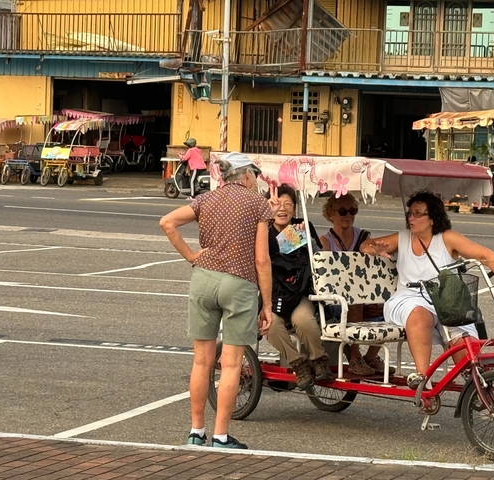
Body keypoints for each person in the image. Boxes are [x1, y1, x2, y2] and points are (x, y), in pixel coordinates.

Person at [160, 151, 278, 450]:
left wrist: (190, 256)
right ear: (247, 175)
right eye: (255, 175)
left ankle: (196, 431)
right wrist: (267, 304)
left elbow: (167, 222)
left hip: (204, 278)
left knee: (202, 361)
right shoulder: (258, 205)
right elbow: (262, 260)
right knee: (231, 364)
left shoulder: (206, 200)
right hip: (239, 283)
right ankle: (221, 436)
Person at [360, 190, 494, 389]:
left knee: (464, 346)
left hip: (446, 300)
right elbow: (366, 245)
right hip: (408, 299)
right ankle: (422, 378)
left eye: (418, 214)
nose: (412, 218)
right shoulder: (403, 237)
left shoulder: (447, 238)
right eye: (410, 213)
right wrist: (375, 249)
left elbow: (483, 254)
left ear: (433, 218)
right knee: (419, 315)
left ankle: (478, 390)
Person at [265, 184, 333, 390]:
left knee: (302, 319)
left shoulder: (302, 226)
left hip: (298, 292)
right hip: (272, 294)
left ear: (295, 208)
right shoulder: (261, 230)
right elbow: (269, 253)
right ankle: (298, 363)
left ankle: (319, 359)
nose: (282, 209)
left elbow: (318, 257)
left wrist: (304, 237)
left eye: (288, 204)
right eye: (277, 204)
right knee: (270, 325)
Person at [320, 193, 386, 376]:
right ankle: (355, 358)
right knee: (354, 301)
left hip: (362, 294)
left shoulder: (363, 236)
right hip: (334, 299)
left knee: (391, 306)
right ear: (330, 214)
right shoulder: (325, 241)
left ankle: (371, 357)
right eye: (342, 211)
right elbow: (324, 275)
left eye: (352, 210)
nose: (348, 215)